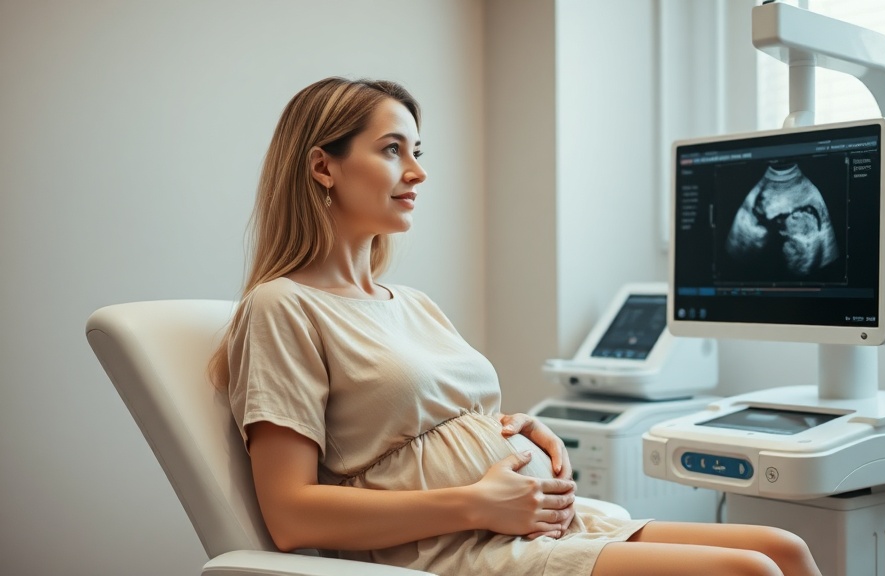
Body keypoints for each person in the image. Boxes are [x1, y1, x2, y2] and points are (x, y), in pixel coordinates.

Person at [209, 77, 823, 576]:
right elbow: (291, 515)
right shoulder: (282, 306)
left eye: (418, 152)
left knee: (784, 549)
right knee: (747, 572)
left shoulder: (412, 303)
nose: (417, 172)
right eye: (393, 149)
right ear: (323, 167)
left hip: (529, 524)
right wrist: (475, 503)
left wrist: (516, 431)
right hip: (450, 549)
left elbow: (425, 420)